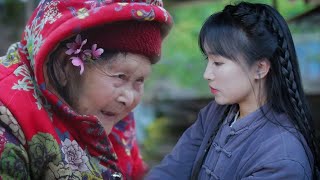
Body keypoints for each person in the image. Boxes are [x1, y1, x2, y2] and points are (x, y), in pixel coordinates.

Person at [0, 0, 172, 179]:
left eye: (140, 80)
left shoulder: (110, 116)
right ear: (64, 65)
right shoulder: (6, 115)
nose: (128, 99)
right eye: (120, 76)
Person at [147, 2, 320, 180]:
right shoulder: (214, 113)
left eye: (218, 63)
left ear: (260, 68)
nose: (207, 74)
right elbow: (171, 170)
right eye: (208, 59)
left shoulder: (282, 157)